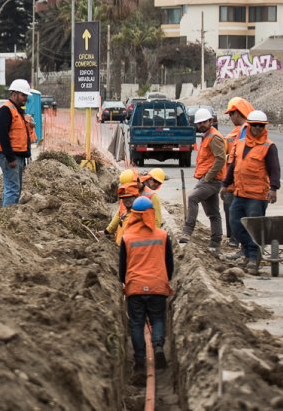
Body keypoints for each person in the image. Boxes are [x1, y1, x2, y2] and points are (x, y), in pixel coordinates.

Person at [119, 196, 173, 384]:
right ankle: (158, 347)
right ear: (151, 213)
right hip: (158, 285)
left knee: (136, 323)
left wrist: (124, 283)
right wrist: (166, 280)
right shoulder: (162, 236)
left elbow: (122, 268)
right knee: (157, 318)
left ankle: (140, 362)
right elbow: (169, 264)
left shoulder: (126, 238)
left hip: (135, 287)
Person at [222, 110, 280, 276]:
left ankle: (253, 259)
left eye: (260, 126)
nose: (257, 128)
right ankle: (249, 253)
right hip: (240, 193)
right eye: (254, 125)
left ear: (264, 127)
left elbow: (274, 169)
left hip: (257, 196)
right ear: (248, 125)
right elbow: (233, 166)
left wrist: (273, 189)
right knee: (236, 225)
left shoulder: (268, 147)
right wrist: (225, 184)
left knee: (254, 228)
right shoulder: (240, 144)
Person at [180, 108, 227, 252]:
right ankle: (215, 243)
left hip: (211, 180)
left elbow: (221, 159)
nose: (201, 125)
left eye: (204, 122)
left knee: (193, 198)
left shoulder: (214, 137)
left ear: (211, 121)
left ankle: (187, 231)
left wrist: (208, 177)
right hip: (209, 179)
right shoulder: (207, 136)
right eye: (199, 123)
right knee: (213, 213)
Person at [0, 79, 36, 207]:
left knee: (14, 189)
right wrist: (10, 157)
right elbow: (3, 136)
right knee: (12, 189)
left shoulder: (18, 111)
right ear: (14, 93)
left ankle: (7, 214)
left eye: (26, 96)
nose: (25, 98)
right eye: (23, 95)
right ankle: (7, 218)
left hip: (18, 156)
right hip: (10, 156)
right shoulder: (6, 110)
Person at [221, 97, 253, 248]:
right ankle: (242, 246)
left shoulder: (242, 134)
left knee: (236, 215)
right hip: (239, 184)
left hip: (242, 186)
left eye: (231, 114)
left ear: (238, 113)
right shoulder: (240, 134)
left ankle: (239, 243)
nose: (230, 117)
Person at [105, 169, 142, 243]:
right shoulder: (125, 193)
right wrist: (108, 231)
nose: (126, 199)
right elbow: (119, 214)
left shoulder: (139, 215)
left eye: (129, 197)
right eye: (124, 197)